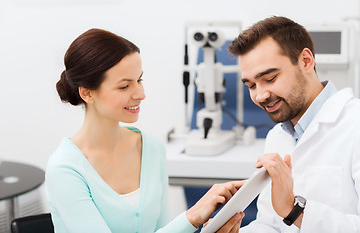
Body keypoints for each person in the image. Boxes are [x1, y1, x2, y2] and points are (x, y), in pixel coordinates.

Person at [45, 28, 245, 233]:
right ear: (87, 93)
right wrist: (192, 216)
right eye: (124, 86)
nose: (141, 94)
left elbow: (162, 228)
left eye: (139, 80)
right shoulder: (65, 169)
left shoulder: (151, 147)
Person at [228, 16, 360, 232]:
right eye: (251, 85)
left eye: (270, 78)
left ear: (306, 61)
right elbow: (270, 225)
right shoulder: (277, 137)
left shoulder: (355, 126)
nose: (260, 95)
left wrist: (294, 210)